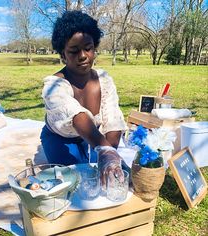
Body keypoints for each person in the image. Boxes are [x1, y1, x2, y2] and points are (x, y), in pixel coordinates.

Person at [40, 10, 127, 186]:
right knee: (76, 181)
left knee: (108, 176)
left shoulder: (104, 80)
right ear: (63, 55)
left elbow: (113, 119)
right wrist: (104, 149)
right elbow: (77, 117)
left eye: (88, 48)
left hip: (95, 138)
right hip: (61, 140)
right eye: (74, 51)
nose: (82, 56)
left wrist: (111, 155)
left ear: (94, 49)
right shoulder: (53, 86)